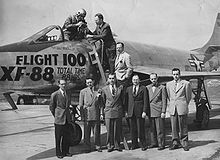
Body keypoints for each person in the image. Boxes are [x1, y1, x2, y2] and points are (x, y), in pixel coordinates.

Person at [166, 68, 192, 151]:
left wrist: (184, 104)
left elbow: (188, 96)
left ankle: (184, 143)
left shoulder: (186, 84)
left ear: (179, 74)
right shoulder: (168, 84)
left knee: (183, 126)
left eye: (177, 74)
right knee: (174, 127)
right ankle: (175, 143)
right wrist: (171, 105)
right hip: (173, 108)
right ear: (172, 75)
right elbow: (168, 96)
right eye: (174, 74)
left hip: (182, 107)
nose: (175, 76)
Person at [49, 79, 72, 159]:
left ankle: (66, 151)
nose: (64, 86)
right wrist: (56, 115)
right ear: (59, 85)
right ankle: (59, 153)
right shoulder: (55, 94)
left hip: (67, 118)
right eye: (62, 84)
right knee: (58, 137)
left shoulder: (68, 93)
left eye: (65, 84)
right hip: (59, 119)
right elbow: (51, 107)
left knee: (67, 136)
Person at [125, 74, 149, 151]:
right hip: (131, 112)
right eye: (134, 80)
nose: (135, 81)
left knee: (140, 129)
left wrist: (144, 111)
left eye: (136, 80)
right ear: (132, 81)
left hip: (140, 111)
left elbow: (146, 101)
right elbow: (126, 101)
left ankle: (143, 144)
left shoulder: (143, 88)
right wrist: (126, 111)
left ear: (139, 80)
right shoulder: (128, 89)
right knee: (132, 129)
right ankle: (134, 144)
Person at [78, 77, 103, 152]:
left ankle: (97, 146)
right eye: (88, 83)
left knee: (96, 131)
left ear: (93, 82)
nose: (89, 84)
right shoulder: (83, 92)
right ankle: (87, 147)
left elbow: (101, 104)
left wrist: (99, 97)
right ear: (86, 84)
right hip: (87, 114)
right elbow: (81, 105)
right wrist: (82, 116)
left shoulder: (98, 91)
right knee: (87, 132)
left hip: (95, 113)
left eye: (90, 82)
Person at [101, 73, 124, 152]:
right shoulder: (104, 89)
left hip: (117, 110)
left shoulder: (120, 89)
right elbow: (103, 101)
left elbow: (122, 100)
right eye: (110, 78)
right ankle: (110, 145)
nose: (111, 80)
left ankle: (117, 145)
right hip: (108, 111)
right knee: (109, 129)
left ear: (115, 79)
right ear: (108, 79)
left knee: (117, 129)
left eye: (113, 78)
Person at [146, 73, 167, 150]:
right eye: (152, 79)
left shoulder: (162, 88)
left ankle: (161, 144)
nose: (153, 80)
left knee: (160, 129)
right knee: (152, 129)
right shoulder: (147, 88)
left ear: (157, 78)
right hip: (150, 110)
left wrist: (163, 111)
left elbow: (164, 100)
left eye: (154, 78)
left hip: (158, 110)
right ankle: (153, 143)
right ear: (150, 79)